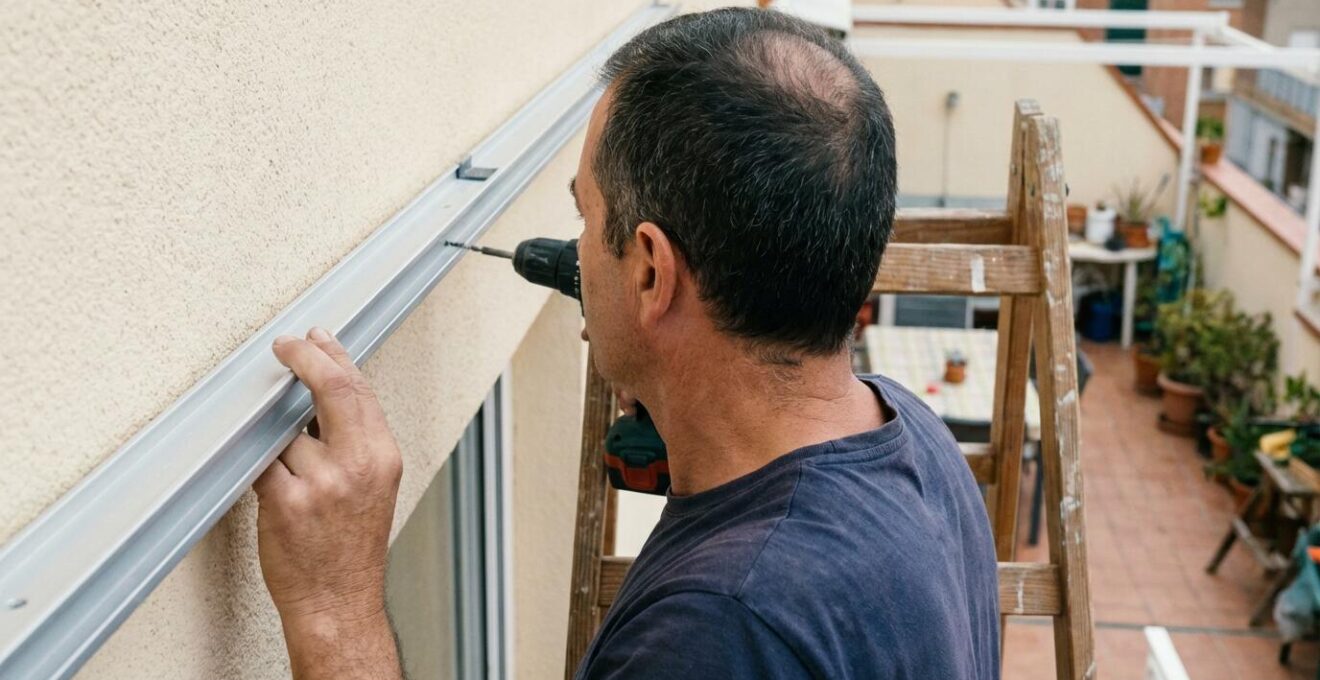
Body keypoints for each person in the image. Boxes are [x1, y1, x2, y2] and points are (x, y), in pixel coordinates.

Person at [254, 8, 999, 679]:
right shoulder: (915, 443)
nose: (573, 255)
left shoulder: (721, 629)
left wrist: (336, 613)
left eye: (584, 216)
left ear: (650, 272)